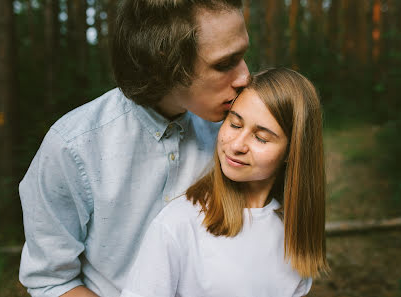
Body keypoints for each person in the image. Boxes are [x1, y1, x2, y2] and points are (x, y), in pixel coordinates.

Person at [18, 0, 249, 296]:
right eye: (224, 64)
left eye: (243, 56)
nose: (244, 77)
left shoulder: (239, 134)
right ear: (165, 61)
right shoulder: (73, 148)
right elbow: (51, 280)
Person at [120, 68, 329, 297]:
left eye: (261, 137)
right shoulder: (178, 224)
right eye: (235, 124)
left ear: (292, 151)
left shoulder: (292, 232)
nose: (237, 145)